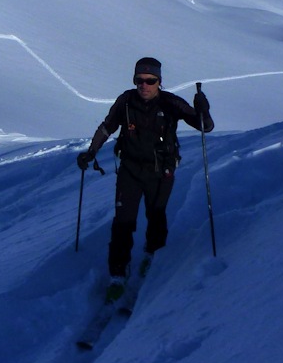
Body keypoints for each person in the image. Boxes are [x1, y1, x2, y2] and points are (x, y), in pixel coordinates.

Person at [77, 56, 213, 301]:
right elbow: (107, 127)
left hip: (162, 171)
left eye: (151, 80)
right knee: (122, 222)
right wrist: (91, 152)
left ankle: (153, 256)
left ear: (160, 82)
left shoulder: (171, 103)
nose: (144, 85)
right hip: (130, 169)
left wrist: (203, 107)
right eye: (139, 80)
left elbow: (205, 127)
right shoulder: (126, 102)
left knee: (156, 216)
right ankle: (118, 273)